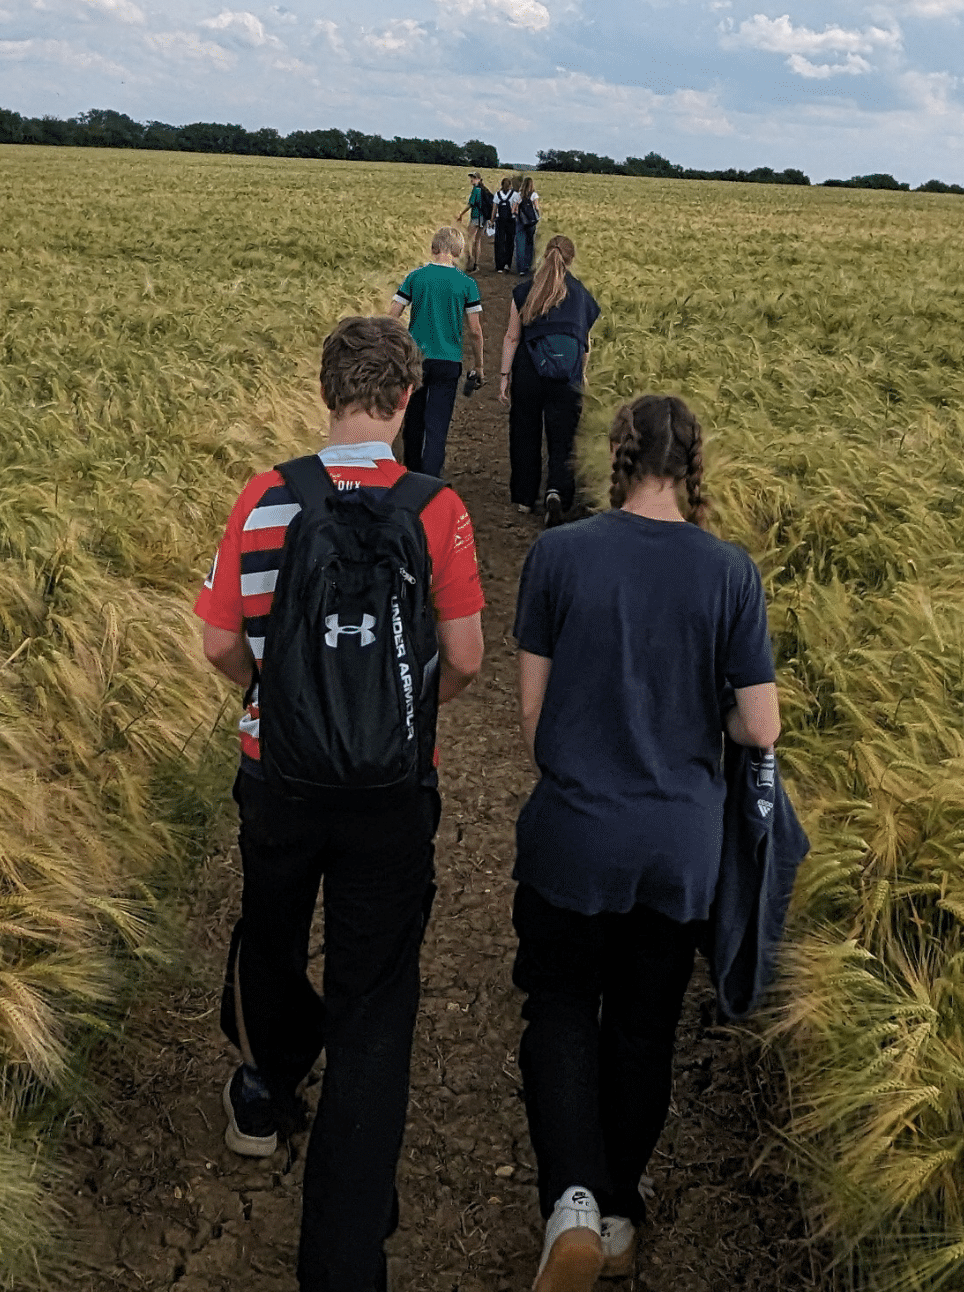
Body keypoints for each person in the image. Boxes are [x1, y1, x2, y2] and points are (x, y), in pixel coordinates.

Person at [196, 316, 487, 1292]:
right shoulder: (435, 508)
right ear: (406, 400)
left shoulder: (265, 496)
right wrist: (399, 715)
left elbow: (217, 643)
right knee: (373, 999)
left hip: (274, 772)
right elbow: (467, 658)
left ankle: (264, 1088)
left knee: (270, 932)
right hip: (390, 794)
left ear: (326, 393)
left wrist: (269, 697)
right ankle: (343, 1256)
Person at [508, 394, 780, 1291]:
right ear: (695, 463)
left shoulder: (559, 554)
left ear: (619, 458)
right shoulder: (730, 572)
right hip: (679, 847)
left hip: (575, 834)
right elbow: (761, 724)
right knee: (642, 1024)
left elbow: (532, 720)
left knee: (557, 1007)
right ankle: (619, 1212)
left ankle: (572, 1203)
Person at [499, 235, 599, 528]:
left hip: (529, 370)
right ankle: (557, 492)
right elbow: (585, 344)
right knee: (563, 437)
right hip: (566, 375)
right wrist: (582, 376)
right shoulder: (581, 294)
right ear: (571, 260)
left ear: (544, 256)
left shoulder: (524, 291)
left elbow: (511, 337)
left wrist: (504, 376)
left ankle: (524, 497)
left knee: (525, 432)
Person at [391, 226, 485, 476]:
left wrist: (398, 349)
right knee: (437, 424)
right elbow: (475, 331)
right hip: (449, 361)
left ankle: (410, 474)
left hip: (416, 360)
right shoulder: (467, 284)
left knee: (414, 420)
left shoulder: (416, 277)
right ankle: (430, 480)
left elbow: (391, 317)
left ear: (434, 248)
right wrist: (479, 365)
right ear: (458, 251)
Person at [494, 173, 519, 274]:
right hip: (511, 221)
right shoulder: (515, 194)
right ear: (510, 185)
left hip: (500, 221)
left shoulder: (497, 194)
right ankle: (507, 264)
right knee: (509, 242)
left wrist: (492, 219)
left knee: (499, 242)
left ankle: (499, 266)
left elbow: (494, 208)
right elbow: (516, 208)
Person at [515, 175, 539, 272]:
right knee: (529, 244)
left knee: (520, 244)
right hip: (531, 223)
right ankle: (527, 266)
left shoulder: (518, 195)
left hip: (521, 222)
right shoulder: (534, 195)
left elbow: (515, 209)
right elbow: (537, 208)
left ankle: (520, 268)